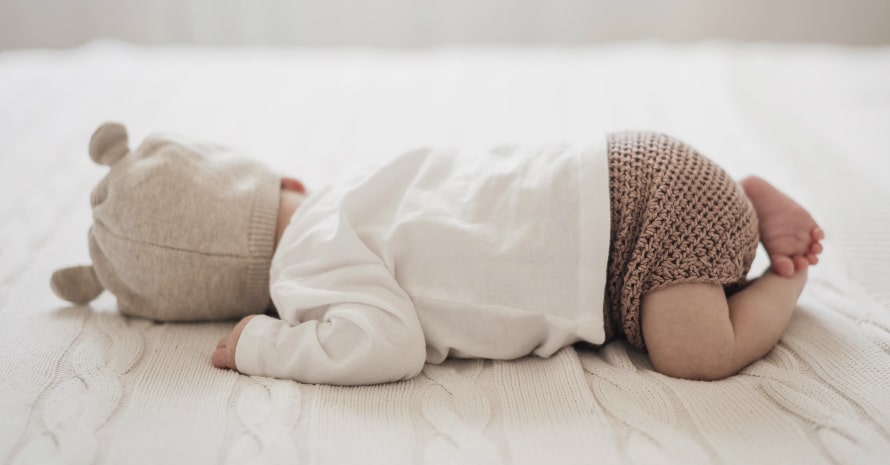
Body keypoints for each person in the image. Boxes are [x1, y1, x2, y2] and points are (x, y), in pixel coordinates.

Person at [51, 123, 823, 385]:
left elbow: (385, 345)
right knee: (676, 325)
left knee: (695, 353)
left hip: (639, 232)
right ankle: (740, 201)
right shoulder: (348, 189)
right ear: (283, 180)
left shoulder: (300, 271)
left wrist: (264, 345)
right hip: (633, 169)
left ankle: (782, 274)